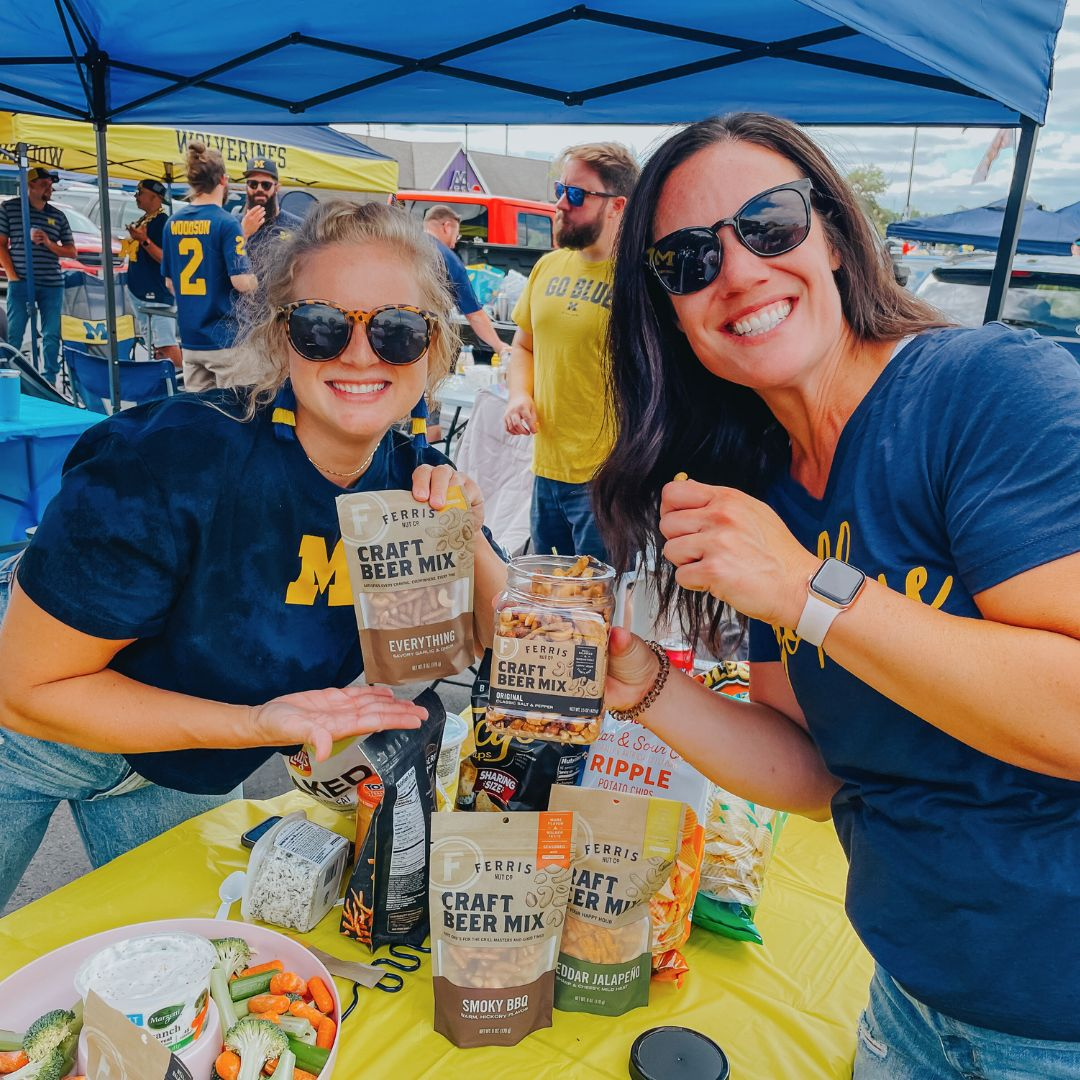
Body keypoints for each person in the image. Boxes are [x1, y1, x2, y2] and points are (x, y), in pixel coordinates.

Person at [595, 113, 1080, 1076]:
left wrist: (807, 588)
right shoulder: (760, 492)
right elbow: (816, 777)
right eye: (688, 259)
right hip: (910, 1000)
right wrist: (642, 685)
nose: (736, 272)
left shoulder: (986, 389)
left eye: (768, 223)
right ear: (669, 316)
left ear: (834, 234)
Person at [0, 200, 507, 910]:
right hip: (27, 742)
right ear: (280, 337)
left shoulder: (414, 481)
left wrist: (471, 532)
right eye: (322, 326)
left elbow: (511, 654)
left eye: (396, 330)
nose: (360, 355)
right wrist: (256, 725)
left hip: (185, 768)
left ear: (435, 349)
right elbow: (26, 692)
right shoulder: (171, 458)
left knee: (178, 984)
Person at [504, 142, 639, 562]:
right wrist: (518, 395)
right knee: (548, 607)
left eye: (577, 195)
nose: (561, 203)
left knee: (599, 610)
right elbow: (524, 346)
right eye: (561, 189)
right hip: (547, 471)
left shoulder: (639, 282)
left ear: (617, 206)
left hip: (606, 481)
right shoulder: (548, 266)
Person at [161, 142, 257, 390]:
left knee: (200, 417)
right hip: (226, 341)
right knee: (236, 415)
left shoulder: (171, 223)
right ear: (223, 180)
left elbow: (170, 284)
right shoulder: (227, 223)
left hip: (191, 342)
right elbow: (242, 282)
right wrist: (258, 280)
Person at [0, 167, 76, 385]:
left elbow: (71, 251)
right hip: (21, 281)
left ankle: (49, 381)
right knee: (15, 333)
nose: (48, 189)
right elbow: (1, 245)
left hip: (52, 282)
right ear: (30, 185)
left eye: (50, 185)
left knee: (51, 334)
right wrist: (13, 276)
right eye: (43, 184)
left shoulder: (57, 215)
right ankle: (13, 378)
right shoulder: (10, 209)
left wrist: (50, 244)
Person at [422, 204, 511, 360]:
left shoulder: (403, 243)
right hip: (423, 337)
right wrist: (499, 345)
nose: (454, 244)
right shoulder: (447, 258)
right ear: (447, 227)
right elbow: (474, 314)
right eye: (456, 236)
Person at [121, 179, 182, 369]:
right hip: (141, 293)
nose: (136, 196)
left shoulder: (162, 223)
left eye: (140, 192)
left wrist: (144, 240)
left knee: (166, 344)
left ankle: (188, 384)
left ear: (154, 197)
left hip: (155, 295)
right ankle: (164, 383)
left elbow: (166, 259)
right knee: (158, 347)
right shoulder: (147, 219)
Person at [240, 157, 303, 271]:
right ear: (246, 187)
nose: (259, 189)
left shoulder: (297, 226)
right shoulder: (233, 223)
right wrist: (243, 234)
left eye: (266, 185)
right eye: (253, 184)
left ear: (277, 187)